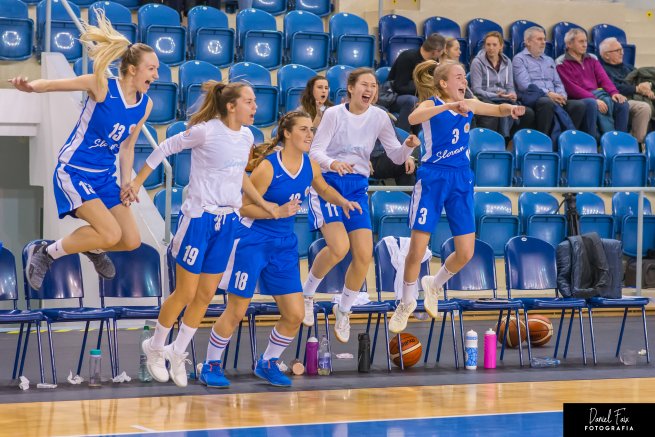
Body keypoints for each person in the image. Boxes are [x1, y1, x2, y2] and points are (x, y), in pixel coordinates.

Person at [199, 111, 361, 388]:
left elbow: (322, 188)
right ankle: (211, 364)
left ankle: (268, 362)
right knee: (237, 310)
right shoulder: (268, 167)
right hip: (253, 241)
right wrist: (275, 211)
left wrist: (343, 201)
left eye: (311, 129)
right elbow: (244, 207)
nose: (310, 134)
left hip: (284, 244)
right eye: (303, 129)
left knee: (295, 314)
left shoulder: (310, 164)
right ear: (287, 133)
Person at [134, 81, 277, 388]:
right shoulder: (206, 131)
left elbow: (238, 173)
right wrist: (136, 184)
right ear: (231, 106)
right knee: (184, 293)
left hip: (228, 221)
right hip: (199, 218)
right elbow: (164, 148)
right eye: (250, 102)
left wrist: (262, 202)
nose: (255, 108)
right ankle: (156, 347)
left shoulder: (248, 136)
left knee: (206, 295)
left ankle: (178, 350)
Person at [9, 13, 155, 290]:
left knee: (130, 240)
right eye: (151, 68)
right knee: (110, 232)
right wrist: (29, 87)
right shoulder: (101, 85)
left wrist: (127, 182)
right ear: (133, 69)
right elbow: (52, 85)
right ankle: (46, 253)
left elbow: (127, 147)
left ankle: (95, 248)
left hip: (104, 177)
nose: (156, 74)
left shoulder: (144, 104)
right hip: (75, 171)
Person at [388, 61, 525, 333]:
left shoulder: (469, 103)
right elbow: (413, 119)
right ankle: (405, 303)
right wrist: (450, 107)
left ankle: (434, 284)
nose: (464, 81)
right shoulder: (431, 105)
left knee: (466, 252)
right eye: (459, 77)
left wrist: (509, 109)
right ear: (443, 83)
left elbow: (496, 109)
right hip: (432, 179)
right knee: (416, 251)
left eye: (464, 77)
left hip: (461, 179)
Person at [303, 68, 421, 341]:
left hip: (356, 186)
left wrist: (408, 147)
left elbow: (393, 153)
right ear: (352, 88)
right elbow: (314, 151)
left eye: (374, 86)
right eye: (365, 85)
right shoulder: (334, 114)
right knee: (338, 247)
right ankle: (307, 294)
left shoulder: (379, 116)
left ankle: (343, 310)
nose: (371, 89)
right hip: (328, 183)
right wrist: (333, 163)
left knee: (364, 254)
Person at [513, 26, 586, 138]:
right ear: (528, 42)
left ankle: (566, 139)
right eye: (539, 39)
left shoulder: (549, 60)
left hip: (554, 98)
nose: (544, 42)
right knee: (546, 102)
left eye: (544, 39)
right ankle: (544, 139)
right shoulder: (519, 59)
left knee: (578, 105)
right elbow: (525, 85)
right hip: (534, 98)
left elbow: (558, 83)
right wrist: (548, 94)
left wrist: (562, 95)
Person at [557, 28, 629, 139]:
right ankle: (595, 142)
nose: (585, 45)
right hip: (577, 98)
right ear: (569, 44)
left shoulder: (592, 58)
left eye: (586, 41)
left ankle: (620, 140)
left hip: (596, 95)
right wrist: (595, 99)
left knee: (621, 102)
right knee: (592, 103)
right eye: (581, 41)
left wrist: (614, 92)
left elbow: (603, 78)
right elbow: (571, 88)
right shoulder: (561, 62)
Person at [469, 31, 535, 139]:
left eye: (494, 45)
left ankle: (510, 141)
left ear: (501, 46)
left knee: (528, 113)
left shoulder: (507, 61)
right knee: (500, 110)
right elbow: (476, 90)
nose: (491, 48)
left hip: (504, 97)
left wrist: (512, 94)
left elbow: (509, 86)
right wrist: (496, 95)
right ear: (484, 46)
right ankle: (503, 139)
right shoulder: (477, 62)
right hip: (485, 97)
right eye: (488, 44)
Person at [387, 34, 446, 132]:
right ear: (436, 51)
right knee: (413, 101)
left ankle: (425, 136)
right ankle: (401, 136)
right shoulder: (407, 57)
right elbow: (399, 86)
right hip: (394, 97)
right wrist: (423, 88)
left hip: (419, 96)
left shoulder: (433, 62)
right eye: (442, 51)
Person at [599, 37, 653, 143]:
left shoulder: (629, 68)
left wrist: (647, 86)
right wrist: (637, 89)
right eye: (617, 50)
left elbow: (641, 80)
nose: (622, 53)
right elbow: (613, 87)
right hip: (618, 100)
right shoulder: (602, 69)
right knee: (644, 107)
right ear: (606, 55)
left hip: (637, 98)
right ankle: (637, 143)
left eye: (622, 50)